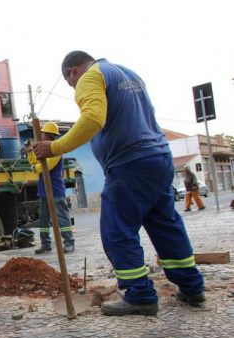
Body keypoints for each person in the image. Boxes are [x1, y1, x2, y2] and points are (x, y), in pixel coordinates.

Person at [33, 51, 205, 316]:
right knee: (165, 224)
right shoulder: (127, 73)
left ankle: (140, 295)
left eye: (71, 84)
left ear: (72, 72)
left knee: (117, 230)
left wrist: (55, 146)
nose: (75, 89)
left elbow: (92, 119)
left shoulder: (91, 77)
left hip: (129, 164)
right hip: (158, 158)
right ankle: (192, 286)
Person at [27, 121, 75, 254]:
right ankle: (45, 244)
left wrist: (34, 168)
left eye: (43, 134)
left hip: (55, 189)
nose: (41, 136)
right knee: (44, 219)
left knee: (62, 217)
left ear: (48, 136)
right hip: (44, 190)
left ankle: (69, 243)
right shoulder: (44, 150)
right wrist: (30, 150)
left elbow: (45, 167)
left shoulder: (55, 150)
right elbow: (34, 160)